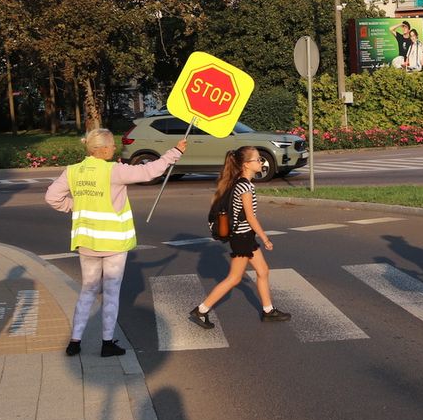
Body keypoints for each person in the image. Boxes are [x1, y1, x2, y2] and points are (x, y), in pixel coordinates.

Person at [46, 129, 186, 357]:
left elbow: (52, 197)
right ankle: (107, 343)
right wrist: (176, 151)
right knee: (111, 293)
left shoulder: (72, 171)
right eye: (111, 145)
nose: (115, 148)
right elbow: (149, 171)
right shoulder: (113, 171)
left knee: (88, 290)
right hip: (113, 243)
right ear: (101, 149)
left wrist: (75, 207)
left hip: (87, 242)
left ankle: (75, 342)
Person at [188, 146, 291, 328]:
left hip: (245, 236)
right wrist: (265, 238)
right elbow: (250, 217)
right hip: (242, 236)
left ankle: (268, 310)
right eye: (258, 159)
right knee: (234, 278)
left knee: (263, 271)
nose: (261, 162)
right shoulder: (244, 185)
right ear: (246, 165)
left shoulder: (239, 182)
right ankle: (201, 310)